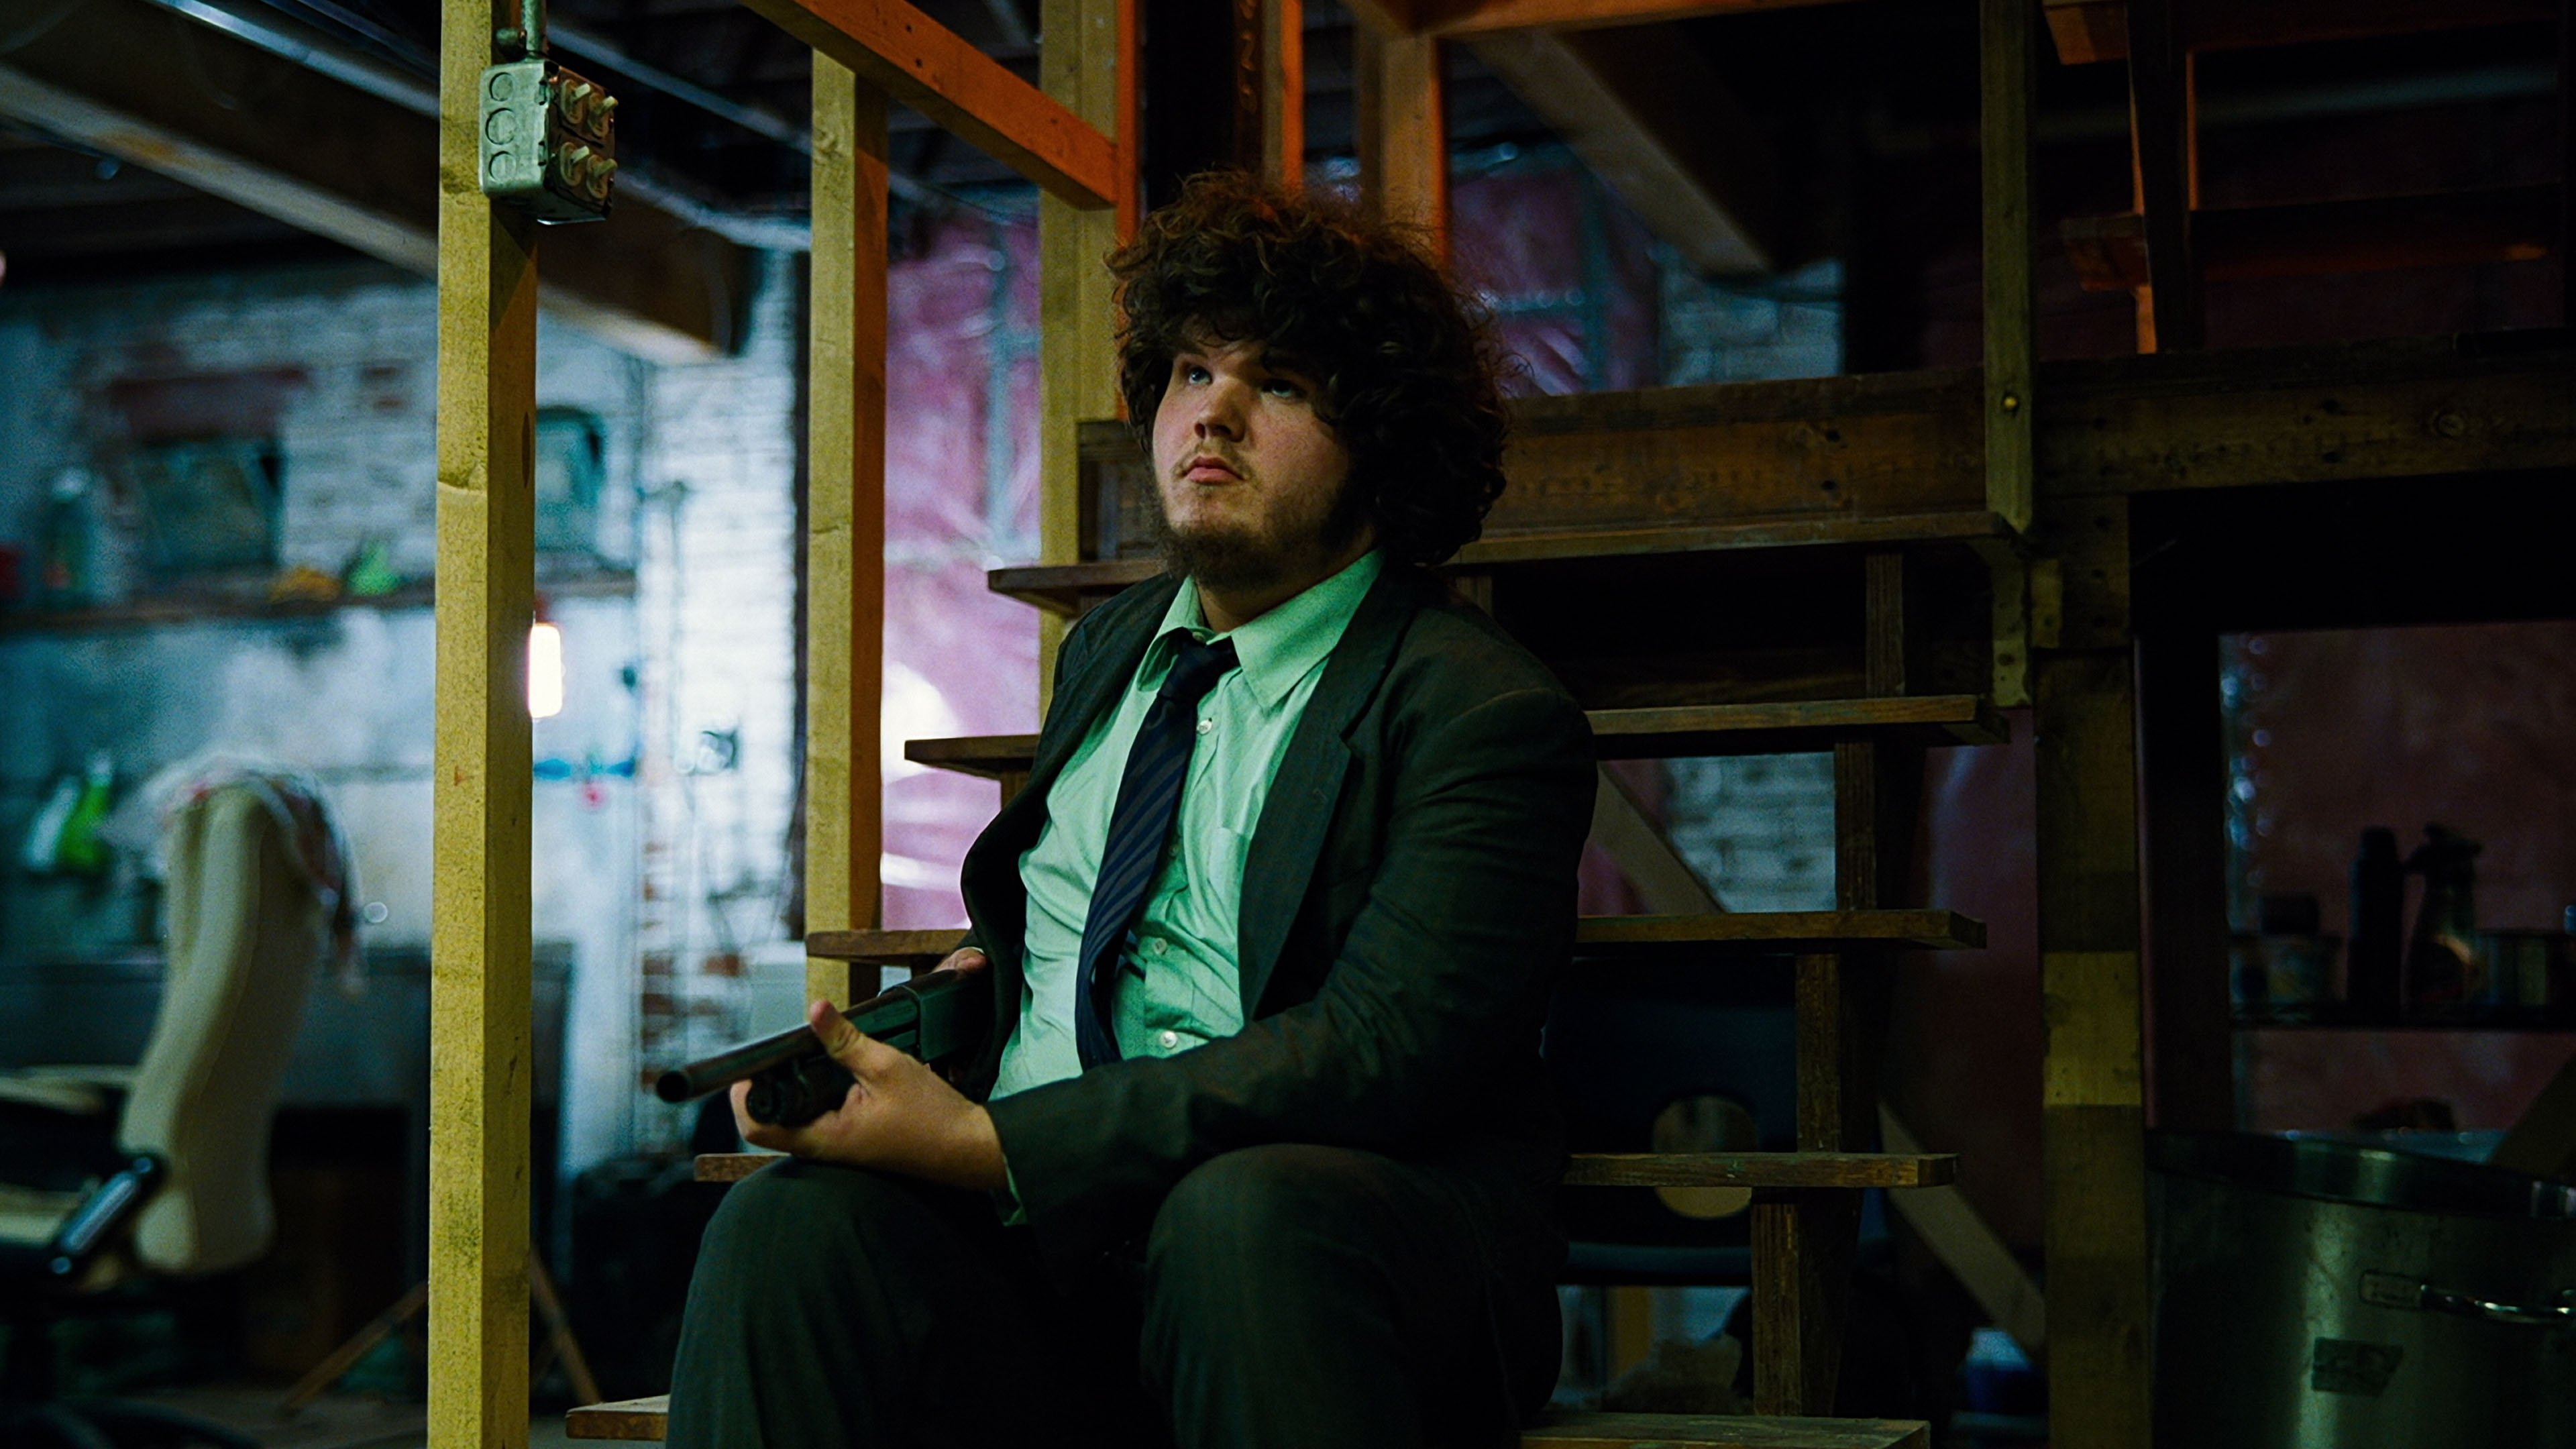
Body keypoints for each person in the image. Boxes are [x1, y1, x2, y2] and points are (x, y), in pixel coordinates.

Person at [668, 171, 1596, 1449]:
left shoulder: (1480, 709)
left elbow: (1386, 1049)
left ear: (1381, 444)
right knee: (785, 1228)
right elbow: (1063, 931)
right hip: (1063, 1250)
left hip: (1327, 1250)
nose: (1212, 412)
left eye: (1279, 385)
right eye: (1191, 372)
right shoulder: (1112, 651)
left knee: (1238, 1219)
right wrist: (896, 1044)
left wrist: (1001, 1146)